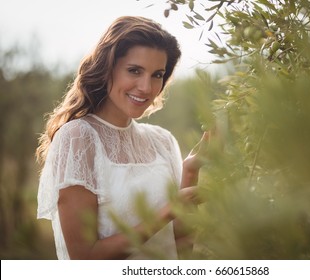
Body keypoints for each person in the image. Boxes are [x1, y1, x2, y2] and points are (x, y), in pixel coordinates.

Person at [36, 16, 207, 260]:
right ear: (107, 68)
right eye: (134, 71)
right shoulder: (78, 138)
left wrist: (190, 171)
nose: (146, 87)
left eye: (157, 75)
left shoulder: (163, 141)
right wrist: (168, 211)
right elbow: (85, 258)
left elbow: (181, 248)